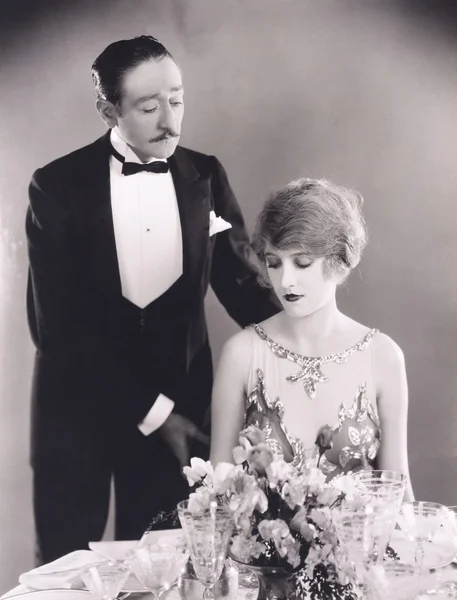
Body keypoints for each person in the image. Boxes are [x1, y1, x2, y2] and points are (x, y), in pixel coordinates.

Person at [26, 35, 280, 564]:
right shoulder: (55, 187)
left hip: (180, 423)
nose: (171, 121)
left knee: (171, 570)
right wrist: (155, 411)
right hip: (78, 416)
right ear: (107, 110)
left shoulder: (204, 175)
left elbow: (242, 285)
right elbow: (60, 329)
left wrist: (310, 342)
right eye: (148, 107)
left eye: (178, 99)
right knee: (69, 576)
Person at [210, 177, 414, 501]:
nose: (285, 280)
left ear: (337, 261)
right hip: (262, 550)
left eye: (302, 263)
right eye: (274, 263)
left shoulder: (383, 356)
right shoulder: (241, 354)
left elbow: (397, 492)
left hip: (363, 550)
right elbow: (219, 495)